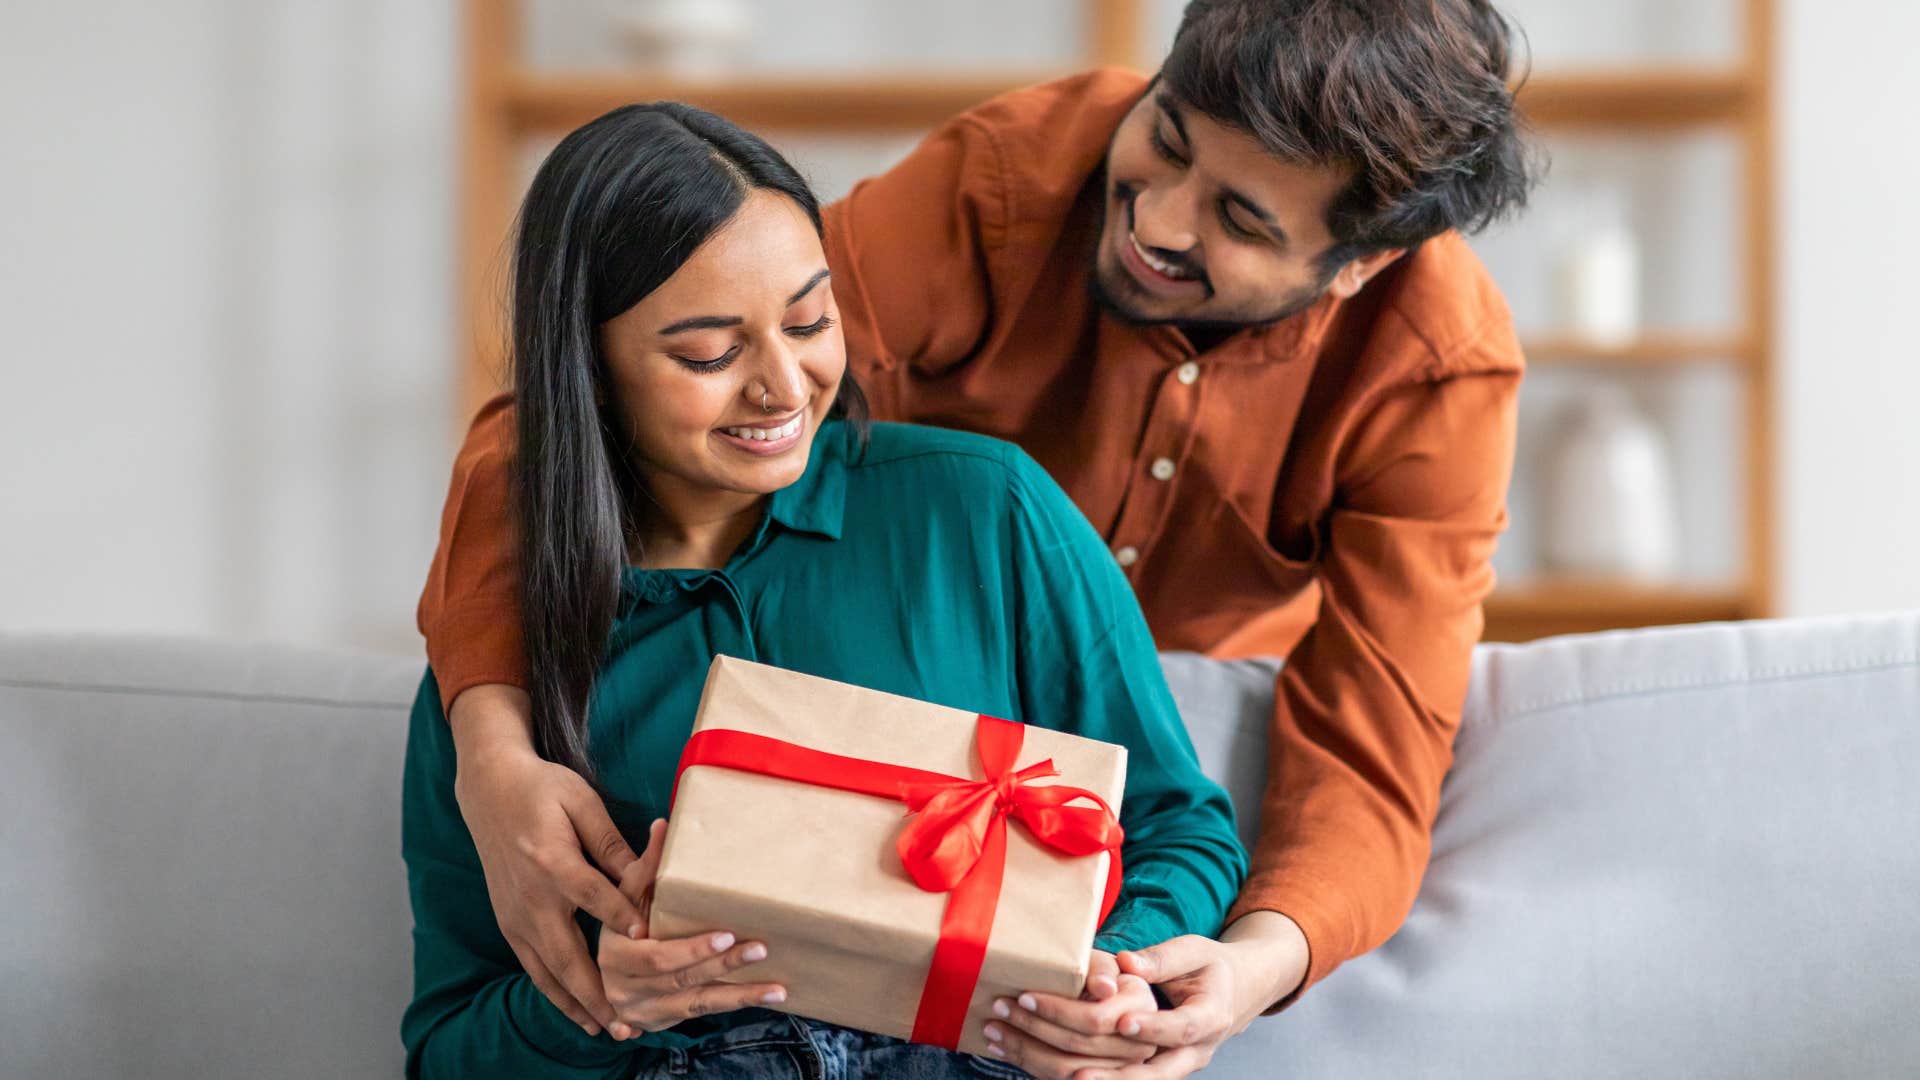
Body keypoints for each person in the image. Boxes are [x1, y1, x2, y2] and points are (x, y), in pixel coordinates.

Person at [421, 1, 1536, 1076]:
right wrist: (492, 749)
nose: (1156, 220)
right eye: (1165, 139)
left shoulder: (1434, 369)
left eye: (1242, 220)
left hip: (1149, 730)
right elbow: (567, 425)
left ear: (1358, 266)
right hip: (891, 665)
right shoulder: (1007, 177)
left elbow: (1370, 749)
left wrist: (1247, 966)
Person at [399, 101, 1248, 1079]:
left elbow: (1177, 822)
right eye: (708, 355)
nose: (784, 386)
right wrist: (600, 1002)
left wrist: (1110, 980)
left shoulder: (982, 510)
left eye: (810, 320)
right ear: (588, 370)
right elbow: (448, 1048)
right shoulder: (503, 667)